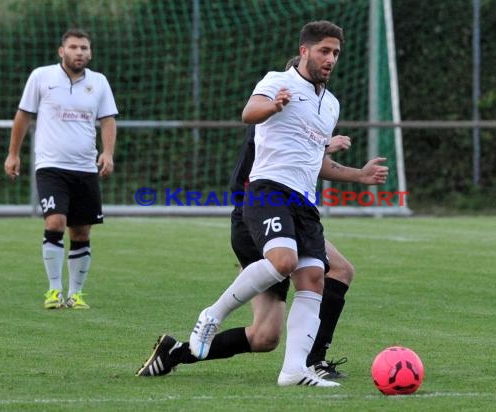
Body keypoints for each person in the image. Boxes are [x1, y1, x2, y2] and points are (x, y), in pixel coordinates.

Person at [139, 20, 386, 387]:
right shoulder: (278, 82)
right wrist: (272, 106)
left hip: (302, 203)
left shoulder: (329, 104)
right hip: (264, 198)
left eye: (335, 52)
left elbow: (314, 160)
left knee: (271, 329)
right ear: (304, 51)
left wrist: (359, 175)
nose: (331, 58)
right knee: (291, 262)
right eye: (323, 51)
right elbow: (249, 113)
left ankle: (283, 368)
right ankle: (215, 316)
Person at [4, 28, 118, 310]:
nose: (79, 52)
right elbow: (23, 116)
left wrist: (107, 153)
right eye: (73, 47)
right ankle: (54, 290)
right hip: (50, 166)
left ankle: (76, 294)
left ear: (90, 52)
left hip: (85, 169)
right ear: (61, 51)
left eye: (84, 48)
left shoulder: (99, 82)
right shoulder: (42, 77)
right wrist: (13, 154)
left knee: (81, 232)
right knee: (55, 222)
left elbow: (107, 120)